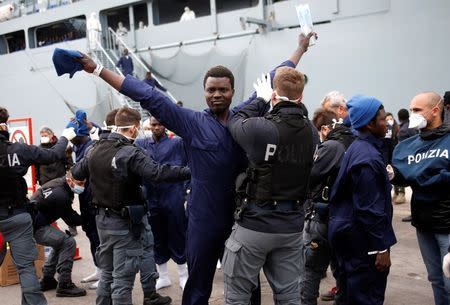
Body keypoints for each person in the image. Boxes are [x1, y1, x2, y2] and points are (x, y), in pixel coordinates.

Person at [71, 31, 315, 305]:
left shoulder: (245, 115)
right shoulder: (191, 122)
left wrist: (300, 49)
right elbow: (149, 96)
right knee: (198, 286)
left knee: (248, 289)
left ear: (233, 91)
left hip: (242, 220)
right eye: (211, 89)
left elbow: (277, 76)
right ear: (204, 92)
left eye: (223, 89)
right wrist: (99, 69)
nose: (217, 94)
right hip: (204, 220)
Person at [72, 107, 190, 305]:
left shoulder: (94, 149)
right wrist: (191, 171)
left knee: (108, 271)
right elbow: (158, 173)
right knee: (123, 279)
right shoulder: (130, 152)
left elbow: (77, 172)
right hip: (123, 224)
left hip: (103, 221)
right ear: (134, 129)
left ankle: (138, 296)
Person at [224, 65, 315, 304]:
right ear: (301, 96)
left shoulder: (262, 128)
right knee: (289, 295)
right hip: (292, 228)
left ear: (274, 94)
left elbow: (235, 120)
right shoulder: (313, 132)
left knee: (237, 295)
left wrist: (260, 100)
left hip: (256, 224)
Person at [0, 106, 76, 305]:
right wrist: (64, 137)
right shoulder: (18, 150)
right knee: (26, 268)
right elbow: (53, 155)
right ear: (4, 126)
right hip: (17, 216)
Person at [329, 95, 397, 305]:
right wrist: (381, 248)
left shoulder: (360, 148)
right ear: (369, 124)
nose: (387, 124)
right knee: (366, 296)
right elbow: (369, 209)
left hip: (348, 235)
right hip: (362, 241)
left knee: (349, 294)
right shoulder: (367, 157)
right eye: (383, 119)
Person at [391, 92, 449, 305]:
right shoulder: (408, 145)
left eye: (417, 110)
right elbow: (402, 175)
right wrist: (392, 174)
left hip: (448, 223)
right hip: (423, 221)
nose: (413, 113)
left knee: (449, 280)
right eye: (411, 109)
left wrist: (418, 175)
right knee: (435, 278)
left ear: (435, 110)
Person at [301, 108, 355, 305]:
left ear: (324, 129)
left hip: (323, 217)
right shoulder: (356, 142)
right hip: (347, 219)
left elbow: (308, 177)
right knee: (342, 269)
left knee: (311, 270)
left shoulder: (331, 147)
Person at [136, 116, 189, 291]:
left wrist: (187, 192)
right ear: (149, 126)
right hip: (151, 197)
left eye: (160, 124)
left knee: (178, 234)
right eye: (153, 125)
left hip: (173, 195)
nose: (157, 127)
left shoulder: (177, 143)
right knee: (156, 237)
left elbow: (189, 165)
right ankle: (164, 276)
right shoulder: (143, 144)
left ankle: (184, 275)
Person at [31, 172, 86, 297]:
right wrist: (89, 219)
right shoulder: (61, 195)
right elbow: (71, 220)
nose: (82, 187)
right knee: (68, 242)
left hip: (36, 222)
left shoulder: (59, 183)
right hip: (36, 227)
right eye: (80, 184)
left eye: (84, 184)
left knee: (60, 242)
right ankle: (65, 285)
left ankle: (48, 279)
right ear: (70, 180)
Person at [395, 108, 418, 211]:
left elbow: (414, 141)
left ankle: (413, 212)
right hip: (410, 157)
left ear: (399, 117)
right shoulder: (409, 126)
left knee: (414, 187)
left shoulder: (406, 128)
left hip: (409, 158)